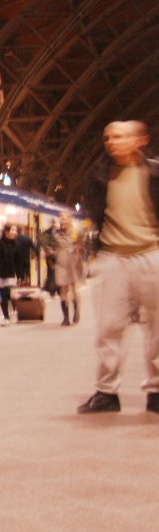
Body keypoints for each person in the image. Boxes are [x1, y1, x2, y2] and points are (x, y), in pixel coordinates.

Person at [77, 120, 159, 414]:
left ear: (140, 140)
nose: (112, 142)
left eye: (120, 137)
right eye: (108, 137)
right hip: (113, 257)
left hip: (151, 253)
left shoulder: (154, 172)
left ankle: (156, 391)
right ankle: (107, 393)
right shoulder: (99, 175)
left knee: (157, 328)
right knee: (109, 327)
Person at [52, 212, 83, 326]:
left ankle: (76, 311)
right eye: (61, 219)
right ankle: (66, 318)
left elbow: (81, 246)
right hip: (61, 264)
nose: (62, 221)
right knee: (63, 291)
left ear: (70, 220)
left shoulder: (76, 233)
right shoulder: (56, 233)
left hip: (72, 265)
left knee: (74, 289)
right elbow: (51, 246)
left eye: (64, 219)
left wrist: (77, 249)